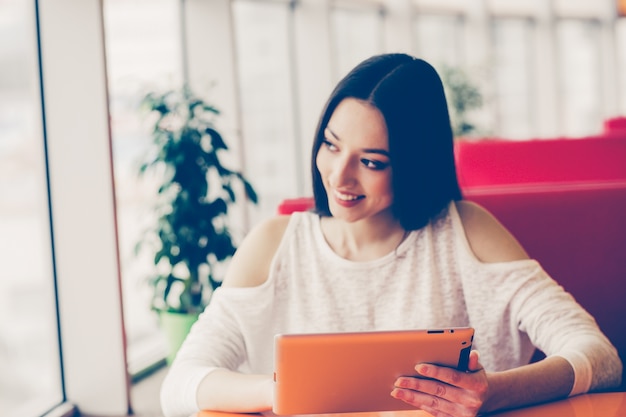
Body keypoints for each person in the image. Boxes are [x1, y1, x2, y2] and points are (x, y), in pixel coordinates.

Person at [160, 53, 622, 417]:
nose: (339, 176)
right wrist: (279, 392)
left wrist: (491, 393)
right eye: (330, 145)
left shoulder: (466, 233)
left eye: (372, 162)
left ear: (414, 164)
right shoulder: (274, 246)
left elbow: (599, 357)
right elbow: (180, 384)